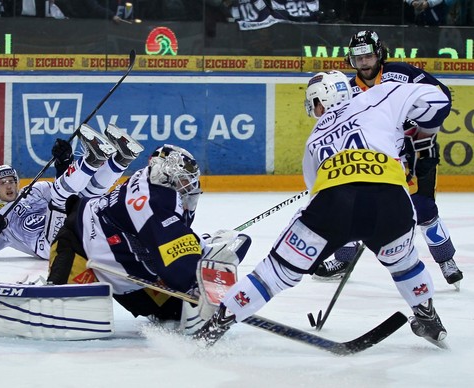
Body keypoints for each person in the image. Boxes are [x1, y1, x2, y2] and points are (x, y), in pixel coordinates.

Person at [194, 70, 451, 347]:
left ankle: (216, 326)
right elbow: (437, 101)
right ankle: (427, 316)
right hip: (392, 203)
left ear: (320, 100)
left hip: (333, 206)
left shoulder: (314, 139)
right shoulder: (379, 95)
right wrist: (420, 139)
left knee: (275, 273)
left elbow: (315, 189)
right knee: (404, 263)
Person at [314, 30, 463, 288]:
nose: (364, 63)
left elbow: (441, 97)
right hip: (377, 159)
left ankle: (445, 259)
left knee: (423, 209)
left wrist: (416, 125)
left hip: (416, 152)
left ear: (379, 53)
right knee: (355, 206)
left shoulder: (403, 74)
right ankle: (344, 259)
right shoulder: (347, 91)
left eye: (369, 56)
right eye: (358, 58)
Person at [47, 144, 251, 329]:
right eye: (182, 180)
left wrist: (198, 246)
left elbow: (164, 238)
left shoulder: (151, 179)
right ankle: (52, 288)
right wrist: (195, 284)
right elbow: (175, 261)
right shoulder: (155, 202)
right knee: (59, 314)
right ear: (166, 173)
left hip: (126, 264)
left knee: (176, 312)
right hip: (79, 244)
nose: (187, 188)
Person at [0, 123, 143, 260]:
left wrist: (64, 162)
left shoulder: (35, 190)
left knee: (83, 197)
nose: (8, 186)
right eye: (2, 183)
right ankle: (93, 161)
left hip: (73, 232)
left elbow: (69, 195)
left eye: (11, 181)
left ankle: (121, 158)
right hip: (50, 246)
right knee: (64, 196)